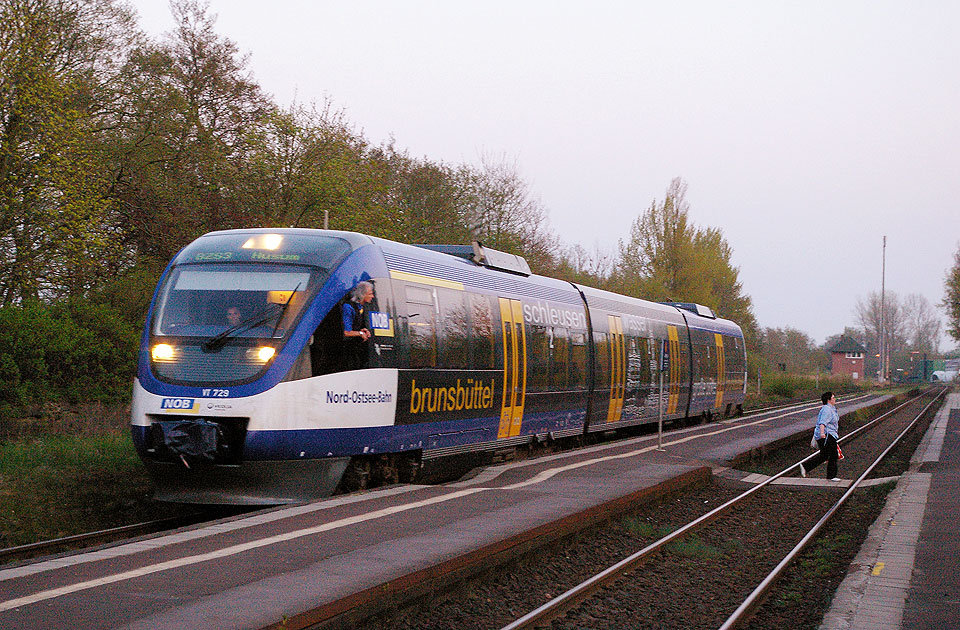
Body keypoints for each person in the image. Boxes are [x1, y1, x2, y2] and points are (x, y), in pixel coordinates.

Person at [799, 391, 840, 481]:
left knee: (824, 455)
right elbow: (822, 422)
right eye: (833, 398)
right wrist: (822, 434)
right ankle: (831, 476)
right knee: (833, 454)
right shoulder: (827, 409)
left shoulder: (831, 408)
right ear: (828, 400)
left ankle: (805, 467)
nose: (835, 399)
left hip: (828, 434)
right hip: (826, 435)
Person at [341, 281, 374, 369]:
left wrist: (363, 330)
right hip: (348, 350)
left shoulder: (361, 307)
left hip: (357, 348)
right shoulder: (348, 307)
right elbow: (346, 332)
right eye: (370, 294)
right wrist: (360, 333)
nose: (372, 296)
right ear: (362, 295)